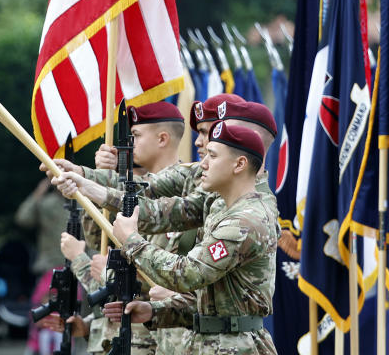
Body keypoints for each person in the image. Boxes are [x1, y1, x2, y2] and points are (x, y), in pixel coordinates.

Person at [58, 122, 280, 354]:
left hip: (235, 346)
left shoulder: (245, 221)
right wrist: (156, 311)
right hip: (210, 343)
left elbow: (187, 274)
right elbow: (210, 301)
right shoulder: (221, 207)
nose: (202, 164)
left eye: (212, 156)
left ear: (240, 164)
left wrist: (132, 241)